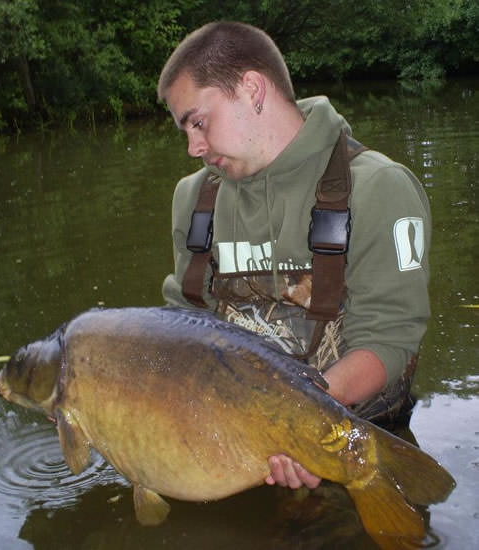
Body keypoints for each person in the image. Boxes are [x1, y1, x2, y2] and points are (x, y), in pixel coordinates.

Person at [157, 21, 431, 490]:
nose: (193, 147)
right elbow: (183, 324)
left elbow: (389, 340)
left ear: (252, 89)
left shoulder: (379, 188)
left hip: (357, 440)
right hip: (229, 441)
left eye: (198, 122)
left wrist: (299, 422)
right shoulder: (194, 199)